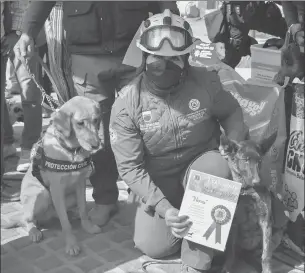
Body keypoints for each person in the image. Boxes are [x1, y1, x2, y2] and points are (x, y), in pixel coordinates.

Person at [15, 1, 179, 226]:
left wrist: (173, 19)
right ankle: (105, 199)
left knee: (143, 126)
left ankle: (142, 197)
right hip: (86, 55)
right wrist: (27, 32)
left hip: (134, 47)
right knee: (94, 136)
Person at [110, 10, 248, 273]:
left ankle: (199, 256)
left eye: (175, 60)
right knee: (154, 247)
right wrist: (165, 209)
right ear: (143, 58)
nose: (165, 67)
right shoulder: (127, 104)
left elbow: (232, 112)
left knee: (217, 168)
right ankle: (189, 217)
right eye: (156, 61)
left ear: (187, 58)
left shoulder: (205, 82)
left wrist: (232, 147)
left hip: (201, 164)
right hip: (159, 177)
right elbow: (130, 168)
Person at [3, 1, 46, 173]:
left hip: (22, 31)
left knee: (30, 93)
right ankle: (6, 142)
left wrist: (25, 32)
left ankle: (29, 147)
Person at [209, 1, 288, 68]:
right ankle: (223, 78)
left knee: (287, 31)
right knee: (233, 53)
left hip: (245, 12)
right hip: (242, 13)